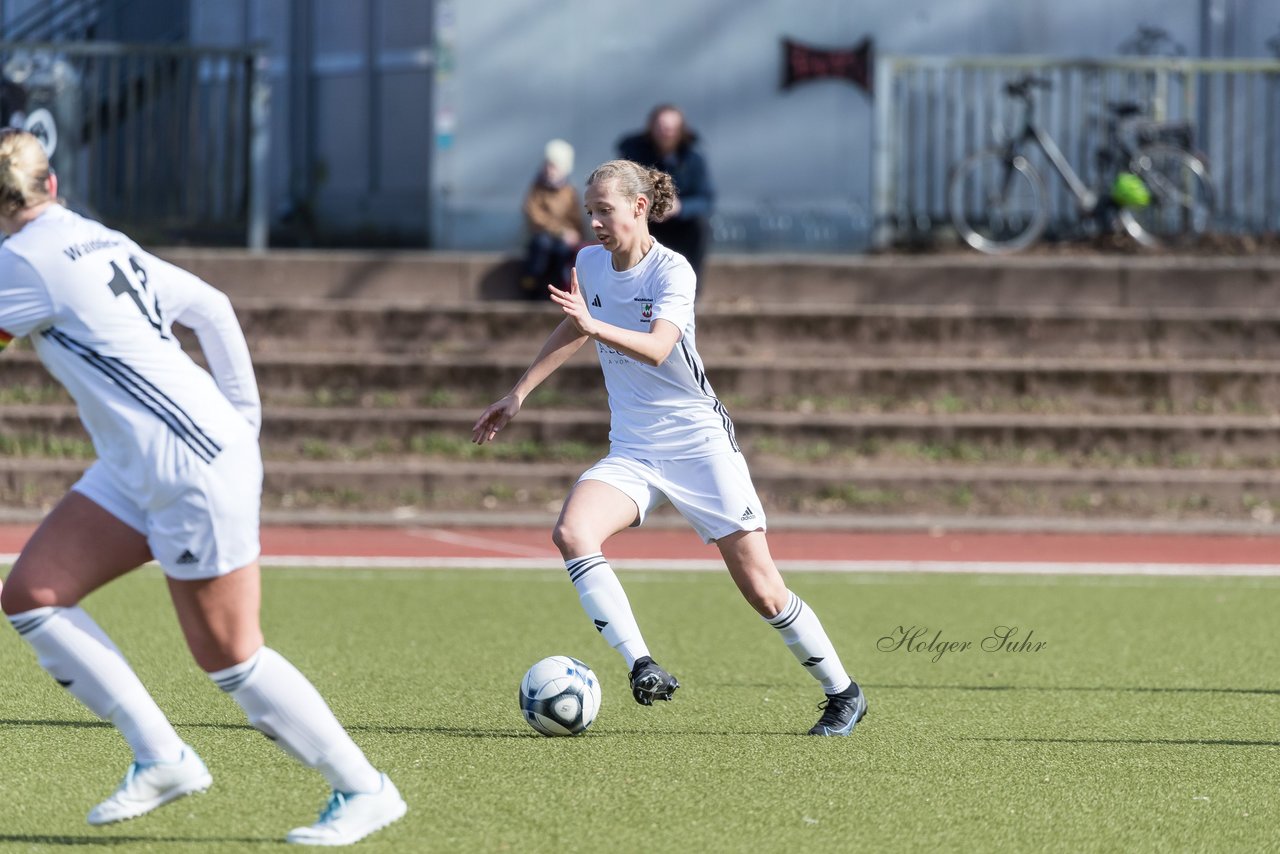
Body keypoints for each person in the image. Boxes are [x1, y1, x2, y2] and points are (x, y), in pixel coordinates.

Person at [0, 129, 406, 845]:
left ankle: (365, 788)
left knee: (231, 654)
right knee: (33, 593)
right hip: (145, 462)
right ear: (53, 185)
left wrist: (233, 429)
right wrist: (242, 415)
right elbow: (212, 304)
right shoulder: (99, 237)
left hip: (186, 464)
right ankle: (161, 758)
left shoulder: (20, 264)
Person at [472, 159, 866, 736]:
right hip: (633, 448)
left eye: (604, 211)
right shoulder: (588, 262)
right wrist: (519, 393)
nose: (595, 223)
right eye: (590, 212)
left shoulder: (672, 271)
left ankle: (844, 692)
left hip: (699, 443)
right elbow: (575, 328)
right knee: (572, 532)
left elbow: (658, 347)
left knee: (762, 588)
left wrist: (592, 323)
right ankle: (642, 664)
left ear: (638, 207)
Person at [616, 104, 714, 288]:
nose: (666, 133)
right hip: (645, 219)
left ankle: (688, 288)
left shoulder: (693, 158)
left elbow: (706, 199)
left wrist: (680, 207)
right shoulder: (634, 153)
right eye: (661, 127)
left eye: (671, 128)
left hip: (680, 223)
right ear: (651, 128)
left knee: (700, 227)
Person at [519, 138, 583, 298]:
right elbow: (534, 214)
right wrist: (560, 231)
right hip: (543, 234)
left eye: (554, 166)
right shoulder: (537, 188)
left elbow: (575, 217)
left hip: (563, 239)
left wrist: (576, 234)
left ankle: (555, 287)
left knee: (563, 252)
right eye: (547, 165)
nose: (549, 170)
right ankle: (531, 284)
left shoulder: (569, 191)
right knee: (542, 245)